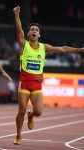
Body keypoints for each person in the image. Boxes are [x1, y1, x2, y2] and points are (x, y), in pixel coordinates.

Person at [13, 5, 84, 145]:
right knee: (21, 110)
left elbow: (63, 49)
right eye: (32, 29)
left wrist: (80, 49)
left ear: (39, 34)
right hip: (25, 82)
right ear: (29, 34)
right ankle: (18, 135)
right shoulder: (24, 44)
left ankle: (31, 115)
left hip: (37, 84)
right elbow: (19, 30)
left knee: (38, 111)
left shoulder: (44, 47)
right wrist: (16, 15)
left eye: (36, 30)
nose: (34, 31)